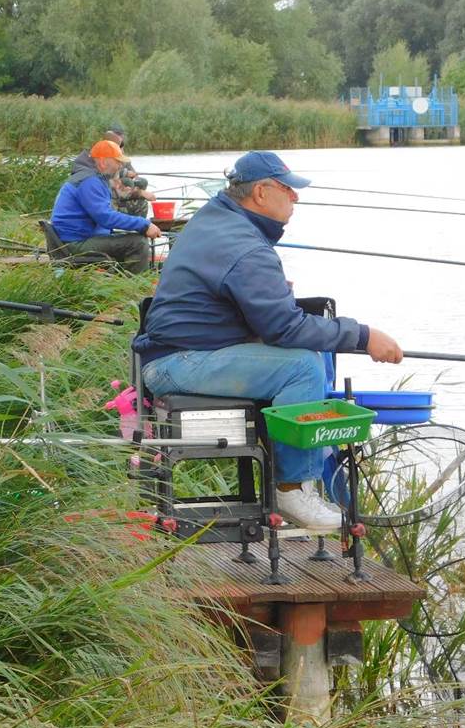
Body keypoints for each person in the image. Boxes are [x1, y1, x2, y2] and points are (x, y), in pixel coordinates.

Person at [132, 150, 403, 531]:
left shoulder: (216, 218)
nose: (295, 198)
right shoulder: (244, 246)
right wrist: (364, 336)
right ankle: (291, 489)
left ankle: (307, 467)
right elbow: (285, 329)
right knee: (303, 365)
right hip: (181, 362)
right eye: (289, 190)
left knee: (309, 356)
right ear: (261, 192)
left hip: (179, 352)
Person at [50, 139, 162, 274]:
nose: (121, 166)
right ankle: (134, 286)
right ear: (103, 162)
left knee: (130, 238)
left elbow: (104, 216)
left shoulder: (94, 177)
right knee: (138, 243)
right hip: (74, 244)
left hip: (79, 237)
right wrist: (144, 225)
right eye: (118, 161)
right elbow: (105, 217)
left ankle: (121, 280)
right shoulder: (89, 181)